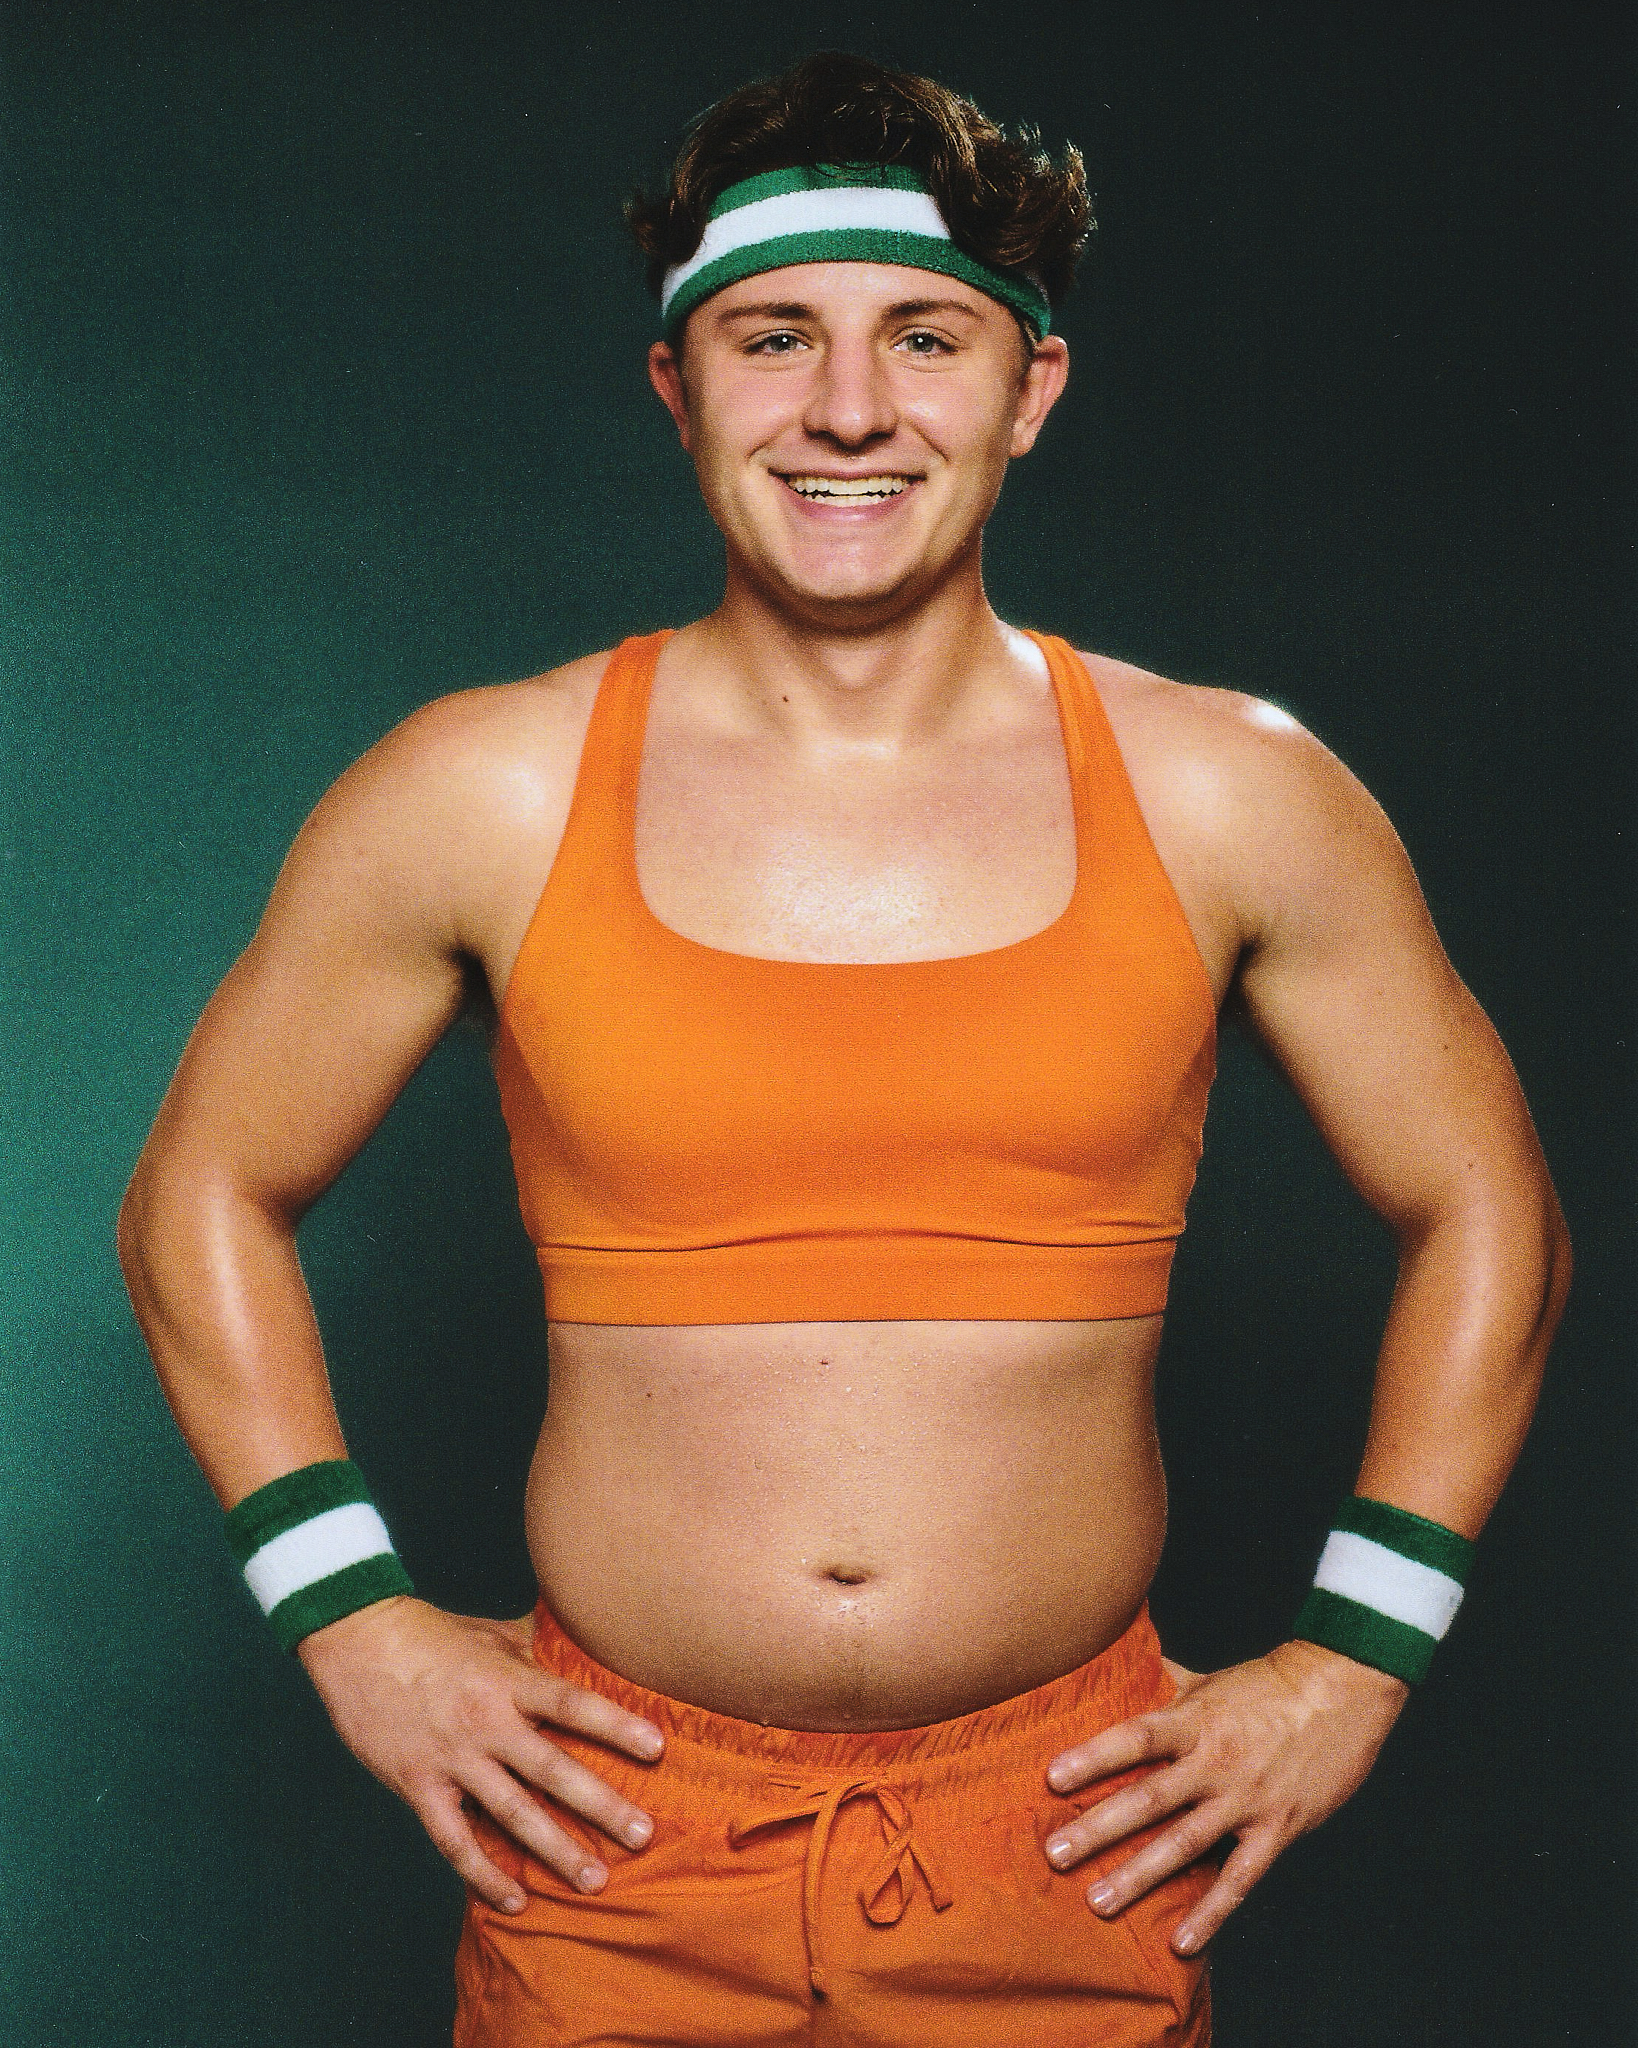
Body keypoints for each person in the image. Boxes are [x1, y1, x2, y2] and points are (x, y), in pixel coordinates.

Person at [118, 51, 1569, 2048]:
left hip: (1069, 1840)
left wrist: (1352, 1661)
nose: (853, 409)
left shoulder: (1230, 789)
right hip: (610, 1840)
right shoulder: (484, 787)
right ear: (677, 385)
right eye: (774, 335)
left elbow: (1488, 1204)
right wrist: (349, 1615)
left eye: (929, 338)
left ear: (1031, 388)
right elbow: (204, 1185)